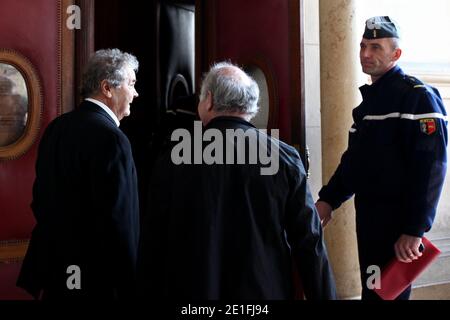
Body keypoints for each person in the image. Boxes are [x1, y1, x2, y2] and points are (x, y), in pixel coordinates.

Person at [138, 61, 337, 300]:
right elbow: (309, 242)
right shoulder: (283, 157)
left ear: (209, 100)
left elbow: (153, 239)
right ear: (250, 106)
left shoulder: (174, 156)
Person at [316, 16, 448, 300]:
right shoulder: (369, 104)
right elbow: (355, 163)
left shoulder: (419, 97)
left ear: (396, 54)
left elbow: (432, 166)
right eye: (363, 45)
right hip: (370, 223)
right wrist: (328, 199)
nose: (365, 54)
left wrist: (414, 229)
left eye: (376, 47)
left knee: (387, 297)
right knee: (374, 294)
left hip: (399, 229)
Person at [17, 48, 140, 300]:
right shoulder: (114, 140)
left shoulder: (57, 128)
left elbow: (40, 200)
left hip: (56, 271)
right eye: (131, 84)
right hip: (98, 279)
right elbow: (120, 221)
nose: (136, 93)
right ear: (107, 88)